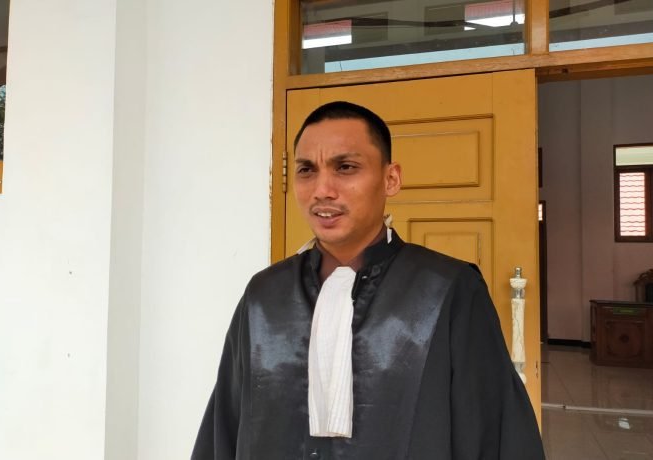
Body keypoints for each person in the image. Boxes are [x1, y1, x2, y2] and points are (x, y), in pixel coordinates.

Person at [192, 101, 545, 459]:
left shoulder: (445, 291)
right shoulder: (264, 297)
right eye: (306, 170)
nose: (322, 189)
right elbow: (225, 428)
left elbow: (493, 433)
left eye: (345, 167)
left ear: (391, 179)